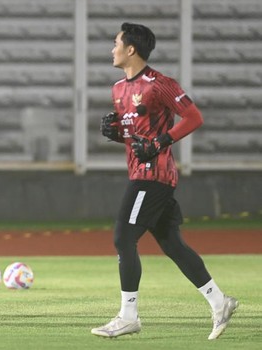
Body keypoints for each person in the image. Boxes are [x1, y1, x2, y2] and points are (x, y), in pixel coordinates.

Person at [92, 23, 238, 340]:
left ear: (131, 49)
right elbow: (136, 138)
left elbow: (194, 117)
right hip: (140, 173)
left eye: (115, 42)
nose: (112, 48)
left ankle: (128, 316)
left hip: (154, 176)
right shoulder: (118, 89)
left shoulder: (160, 84)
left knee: (122, 237)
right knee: (172, 244)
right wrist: (117, 135)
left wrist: (160, 143)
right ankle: (220, 301)